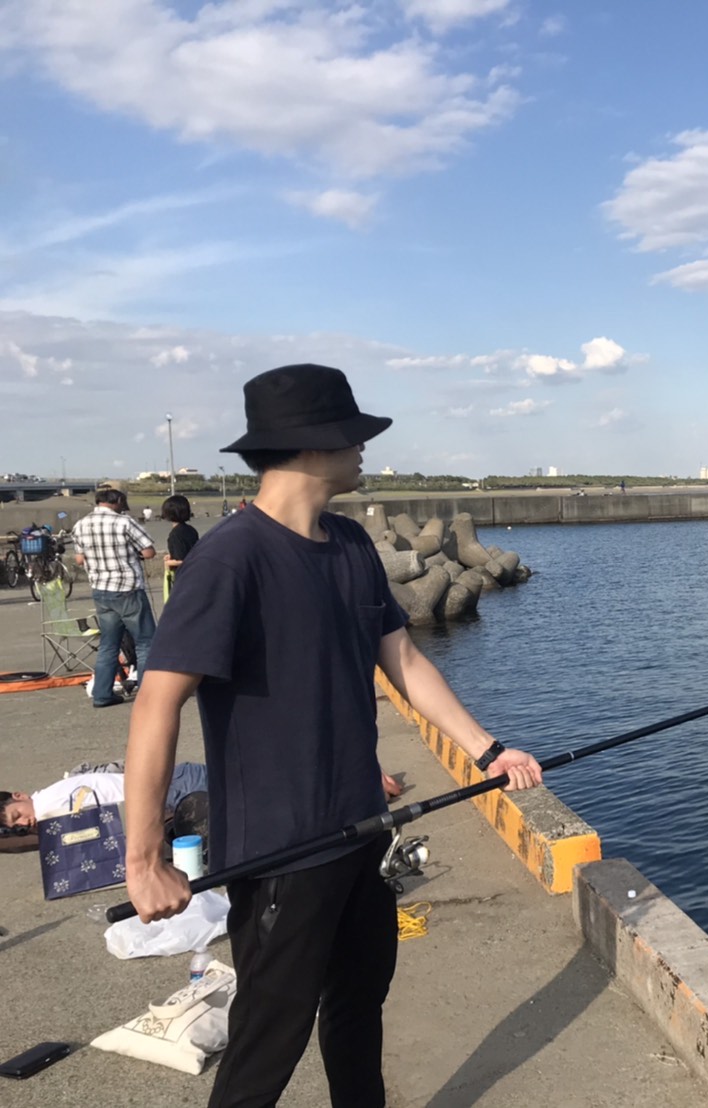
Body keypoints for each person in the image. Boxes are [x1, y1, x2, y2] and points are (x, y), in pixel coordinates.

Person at [122, 363, 544, 1108]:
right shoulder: (230, 559)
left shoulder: (349, 545)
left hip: (361, 833)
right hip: (283, 849)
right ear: (315, 445)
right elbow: (156, 704)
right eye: (354, 436)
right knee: (267, 1039)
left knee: (359, 1011)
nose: (364, 451)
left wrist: (488, 748)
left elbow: (404, 659)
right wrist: (145, 857)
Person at [71, 486, 156, 708]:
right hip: (127, 589)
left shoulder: (81, 524)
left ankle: (102, 694)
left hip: (101, 590)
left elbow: (79, 560)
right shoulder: (124, 522)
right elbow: (148, 551)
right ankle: (149, 695)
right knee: (146, 642)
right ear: (118, 500)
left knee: (109, 644)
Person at [1, 762, 209, 836]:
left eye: (17, 814)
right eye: (17, 826)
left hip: (175, 791)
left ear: (19, 795)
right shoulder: (52, 792)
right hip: (174, 784)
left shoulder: (47, 807)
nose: (24, 823)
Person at [160, 494, 199, 603]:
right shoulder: (191, 529)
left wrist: (169, 562)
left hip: (183, 578)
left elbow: (182, 560)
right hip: (195, 575)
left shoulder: (175, 534)